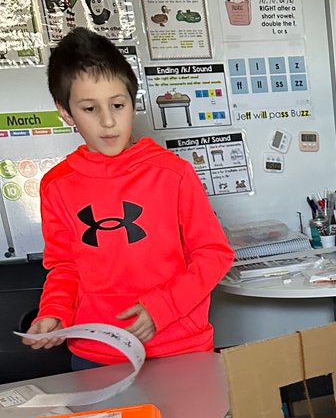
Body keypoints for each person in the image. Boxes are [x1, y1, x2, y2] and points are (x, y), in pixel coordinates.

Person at [22, 28, 233, 368]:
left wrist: (163, 308)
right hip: (95, 351)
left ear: (133, 103)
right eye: (90, 108)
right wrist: (56, 312)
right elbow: (65, 266)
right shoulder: (57, 185)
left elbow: (213, 255)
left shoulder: (173, 174)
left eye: (118, 105)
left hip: (178, 346)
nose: (108, 122)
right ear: (65, 112)